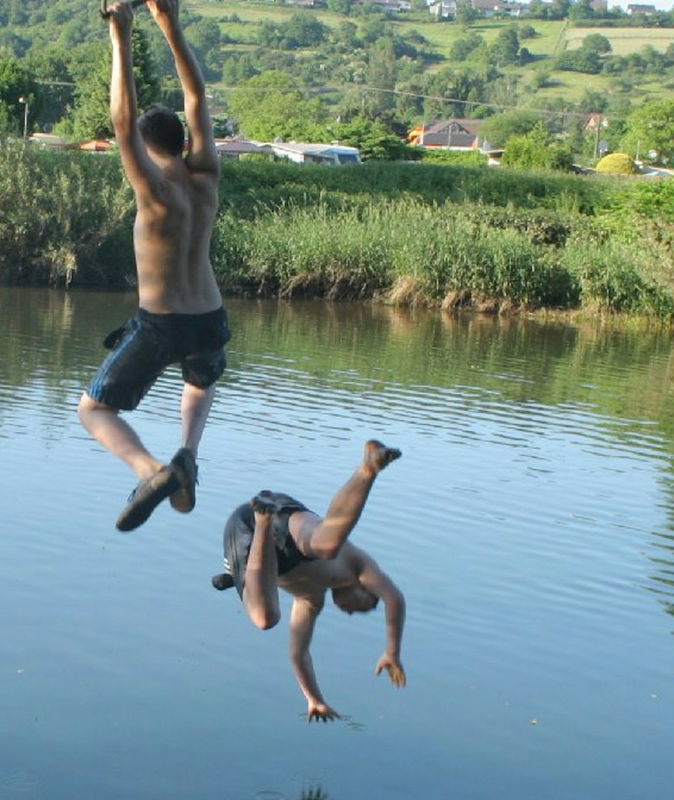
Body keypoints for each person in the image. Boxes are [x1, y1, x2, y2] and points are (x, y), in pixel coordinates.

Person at [79, 0, 228, 532]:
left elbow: (121, 119)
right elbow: (196, 95)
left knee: (94, 411)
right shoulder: (206, 175)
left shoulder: (154, 187)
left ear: (146, 146)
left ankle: (152, 471)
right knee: (201, 377)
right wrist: (170, 24)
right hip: (209, 316)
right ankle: (188, 451)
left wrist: (120, 33)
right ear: (182, 140)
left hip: (161, 322)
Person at [213, 440, 408, 722]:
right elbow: (394, 598)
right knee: (328, 546)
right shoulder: (360, 566)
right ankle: (368, 468)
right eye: (365, 606)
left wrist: (314, 699)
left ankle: (263, 523)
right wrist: (392, 651)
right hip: (281, 515)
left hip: (255, 542)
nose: (353, 612)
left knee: (265, 619)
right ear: (365, 588)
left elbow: (299, 654)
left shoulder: (311, 601)